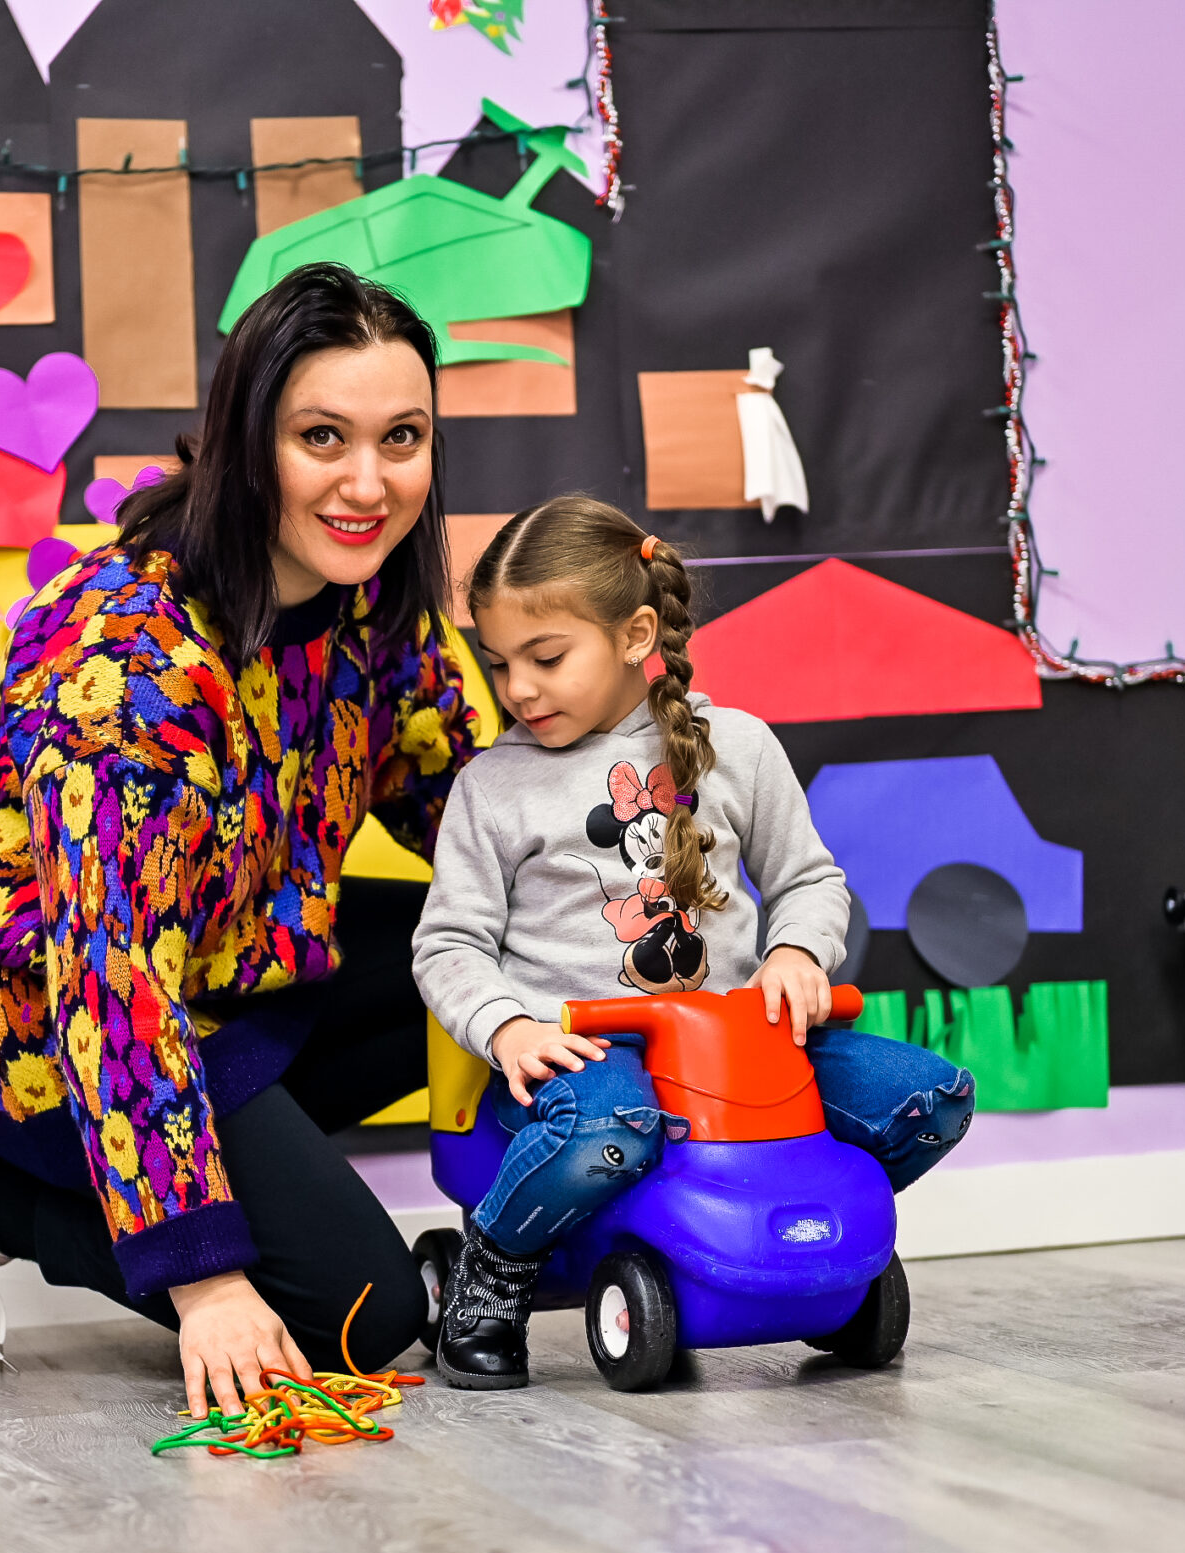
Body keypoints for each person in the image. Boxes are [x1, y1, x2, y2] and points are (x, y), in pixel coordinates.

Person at [0, 262, 481, 1417]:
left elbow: (457, 805)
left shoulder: (376, 601)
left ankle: (252, 1169)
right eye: (322, 438)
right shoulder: (129, 660)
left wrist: (619, 892)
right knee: (362, 1318)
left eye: (401, 437)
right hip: (34, 1005)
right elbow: (106, 971)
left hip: (230, 955)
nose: (368, 482)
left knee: (475, 949)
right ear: (252, 446)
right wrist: (204, 1281)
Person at [411, 495, 975, 1389]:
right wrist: (508, 1028)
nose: (517, 688)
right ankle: (496, 1263)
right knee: (610, 1126)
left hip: (742, 1056)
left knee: (928, 1099)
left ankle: (794, 1244)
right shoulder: (495, 784)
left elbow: (809, 883)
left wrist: (796, 954)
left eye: (546, 657)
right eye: (500, 662)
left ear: (637, 632)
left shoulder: (738, 746)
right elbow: (448, 944)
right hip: (585, 1055)